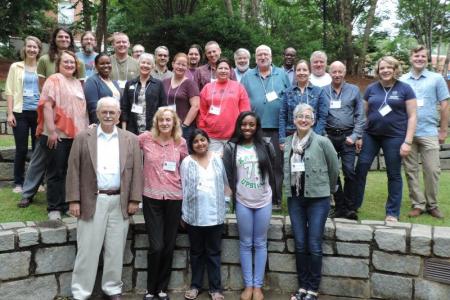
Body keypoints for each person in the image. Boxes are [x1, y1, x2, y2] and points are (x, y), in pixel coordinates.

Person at [67, 97, 142, 300]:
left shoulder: (131, 139)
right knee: (87, 250)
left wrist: (135, 199)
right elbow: (73, 170)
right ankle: (81, 292)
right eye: (104, 112)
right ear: (97, 114)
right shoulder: (83, 137)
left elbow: (137, 172)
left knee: (115, 249)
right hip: (93, 201)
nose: (108, 115)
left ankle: (112, 289)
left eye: (112, 112)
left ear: (119, 115)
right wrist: (74, 200)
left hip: (120, 202)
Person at [285, 104, 339, 300]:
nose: (304, 119)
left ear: (313, 120)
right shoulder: (288, 142)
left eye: (308, 116)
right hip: (296, 199)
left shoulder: (323, 142)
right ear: (294, 120)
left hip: (318, 199)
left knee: (314, 243)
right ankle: (302, 287)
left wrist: (328, 190)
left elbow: (334, 169)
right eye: (300, 116)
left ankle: (313, 289)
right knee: (300, 244)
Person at [355, 56, 417, 223]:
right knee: (361, 167)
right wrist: (359, 135)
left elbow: (412, 116)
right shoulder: (370, 89)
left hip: (395, 137)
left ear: (395, 69)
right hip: (371, 135)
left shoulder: (406, 89)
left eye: (389, 67)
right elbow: (363, 114)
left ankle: (392, 212)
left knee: (394, 173)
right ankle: (353, 205)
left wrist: (408, 141)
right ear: (378, 70)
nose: (385, 70)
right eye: (382, 68)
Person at [222, 112, 277, 300]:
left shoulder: (267, 145)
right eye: (244, 124)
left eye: (251, 125)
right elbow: (228, 176)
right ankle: (248, 285)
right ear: (239, 125)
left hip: (263, 201)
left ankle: (258, 286)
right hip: (243, 201)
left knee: (260, 243)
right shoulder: (231, 147)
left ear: (257, 126)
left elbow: (274, 171)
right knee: (245, 243)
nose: (247, 128)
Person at [139, 107, 188, 300]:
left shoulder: (181, 143)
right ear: (156, 122)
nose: (165, 123)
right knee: (156, 245)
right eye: (161, 120)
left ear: (174, 122)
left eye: (168, 120)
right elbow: (124, 143)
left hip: (174, 198)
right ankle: (150, 289)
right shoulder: (145, 139)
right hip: (151, 198)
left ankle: (161, 289)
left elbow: (185, 169)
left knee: (169, 245)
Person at [34, 50, 89, 219]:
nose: (70, 64)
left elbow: (81, 110)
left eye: (72, 62)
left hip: (75, 136)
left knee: (69, 172)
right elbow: (47, 105)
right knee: (55, 172)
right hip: (56, 134)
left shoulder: (77, 83)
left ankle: (66, 204)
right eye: (66, 62)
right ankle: (54, 208)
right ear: (59, 64)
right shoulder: (54, 79)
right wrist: (51, 131)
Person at [400, 45, 450, 219]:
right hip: (408, 134)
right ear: (411, 57)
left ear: (427, 59)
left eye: (422, 56)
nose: (419, 58)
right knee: (411, 170)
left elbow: (445, 105)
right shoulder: (402, 80)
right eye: (416, 56)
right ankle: (418, 204)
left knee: (432, 170)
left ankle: (432, 204)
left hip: (429, 132)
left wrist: (443, 131)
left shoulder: (436, 79)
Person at [181, 129, 229, 300]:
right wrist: (183, 213)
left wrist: (226, 205)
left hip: (215, 215)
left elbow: (224, 183)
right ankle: (195, 286)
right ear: (191, 145)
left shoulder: (216, 159)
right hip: (194, 216)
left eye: (203, 140)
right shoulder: (187, 162)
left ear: (208, 141)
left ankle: (216, 289)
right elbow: (183, 189)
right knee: (196, 253)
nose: (200, 144)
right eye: (196, 141)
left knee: (214, 253)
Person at [241, 44, 291, 207]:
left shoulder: (282, 74)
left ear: (271, 56)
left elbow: (289, 98)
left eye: (265, 54)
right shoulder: (248, 76)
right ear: (255, 58)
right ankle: (258, 197)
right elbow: (242, 99)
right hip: (255, 129)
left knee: (277, 165)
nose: (263, 57)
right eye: (259, 55)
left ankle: (276, 199)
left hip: (277, 127)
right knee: (258, 164)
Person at [324, 61, 365, 220]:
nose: (337, 75)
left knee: (349, 171)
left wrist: (355, 136)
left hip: (348, 136)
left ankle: (350, 207)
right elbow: (320, 114)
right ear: (329, 73)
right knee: (332, 173)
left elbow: (360, 116)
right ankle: (339, 206)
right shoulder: (323, 91)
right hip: (329, 136)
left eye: (340, 71)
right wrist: (323, 136)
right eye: (334, 71)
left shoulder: (354, 90)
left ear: (345, 72)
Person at [5, 36, 42, 194]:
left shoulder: (42, 66)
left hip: (38, 113)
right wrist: (9, 113)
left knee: (37, 149)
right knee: (21, 149)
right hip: (20, 113)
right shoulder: (16, 67)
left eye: (35, 47)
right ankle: (18, 182)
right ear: (24, 48)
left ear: (39, 50)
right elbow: (9, 91)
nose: (32, 49)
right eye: (29, 46)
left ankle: (37, 183)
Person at [197, 58, 250, 153]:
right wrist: (203, 131)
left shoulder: (238, 87)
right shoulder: (207, 88)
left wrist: (242, 132)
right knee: (215, 165)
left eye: (226, 68)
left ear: (230, 71)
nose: (223, 71)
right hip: (212, 137)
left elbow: (245, 112)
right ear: (215, 70)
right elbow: (202, 112)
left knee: (233, 165)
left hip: (234, 135)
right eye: (220, 68)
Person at [279, 59, 328, 148]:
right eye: (298, 70)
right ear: (295, 72)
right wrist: (282, 139)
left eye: (305, 70)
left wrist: (315, 137)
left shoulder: (319, 92)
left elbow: (323, 117)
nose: (301, 72)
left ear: (310, 72)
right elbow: (282, 116)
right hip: (291, 135)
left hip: (312, 134)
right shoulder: (287, 92)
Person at [121, 53, 167, 135]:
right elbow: (124, 107)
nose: (145, 65)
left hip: (153, 129)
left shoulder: (158, 84)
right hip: (132, 129)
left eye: (148, 63)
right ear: (139, 64)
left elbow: (163, 107)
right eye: (143, 62)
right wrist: (124, 130)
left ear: (153, 66)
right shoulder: (130, 84)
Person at [162, 53, 199, 141]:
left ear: (187, 67)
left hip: (184, 128)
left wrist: (184, 125)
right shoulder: (164, 82)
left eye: (184, 65)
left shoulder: (190, 84)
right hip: (166, 126)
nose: (180, 67)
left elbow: (196, 106)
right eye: (178, 64)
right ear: (173, 64)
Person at [84, 53, 121, 124]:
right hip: (103, 124)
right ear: (96, 66)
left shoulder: (114, 82)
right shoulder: (92, 81)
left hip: (115, 123)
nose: (106, 66)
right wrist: (100, 126)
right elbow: (93, 109)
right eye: (102, 63)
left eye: (108, 63)